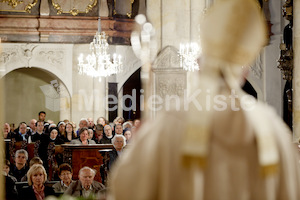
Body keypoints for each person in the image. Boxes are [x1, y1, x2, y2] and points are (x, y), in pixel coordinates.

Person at [108, 0, 300, 199]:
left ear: (199, 64)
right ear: (245, 71)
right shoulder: (274, 131)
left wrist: (139, 148)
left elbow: (125, 188)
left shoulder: (169, 124)